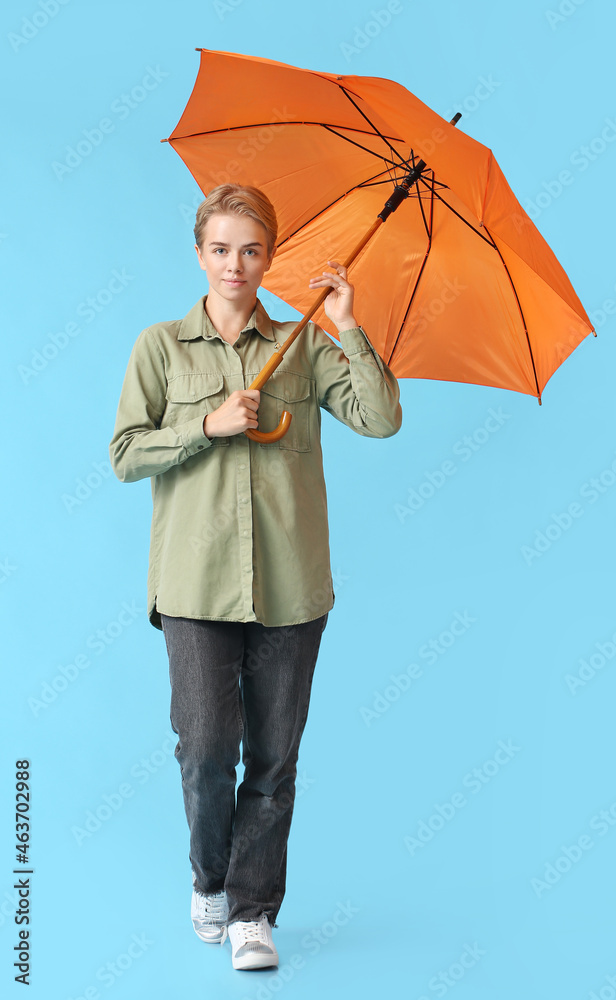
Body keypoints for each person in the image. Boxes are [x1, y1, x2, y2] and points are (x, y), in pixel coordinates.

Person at [108, 183, 402, 971]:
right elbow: (124, 454)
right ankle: (209, 878)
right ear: (199, 253)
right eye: (219, 248)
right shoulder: (160, 347)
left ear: (271, 256)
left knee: (274, 757)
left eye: (250, 249)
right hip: (195, 584)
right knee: (206, 748)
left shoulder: (304, 344)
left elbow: (380, 418)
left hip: (291, 585)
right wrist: (206, 425)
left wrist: (346, 325)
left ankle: (252, 912)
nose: (235, 263)